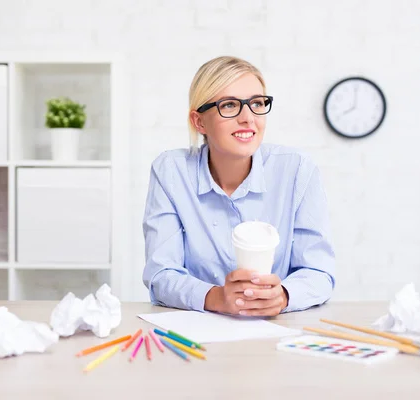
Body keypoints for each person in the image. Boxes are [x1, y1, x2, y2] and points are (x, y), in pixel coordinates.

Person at [142, 56, 336, 317]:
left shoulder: (297, 170)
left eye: (257, 103)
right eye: (230, 105)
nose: (248, 118)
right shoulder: (171, 172)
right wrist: (216, 297)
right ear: (199, 122)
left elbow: (319, 272)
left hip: (277, 331)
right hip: (198, 336)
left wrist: (283, 297)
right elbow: (161, 274)